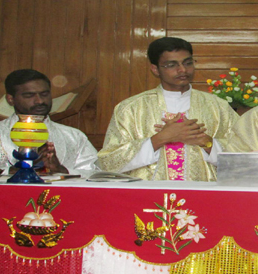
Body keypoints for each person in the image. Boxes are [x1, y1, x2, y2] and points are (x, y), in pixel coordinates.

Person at [97, 37, 239, 181]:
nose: (182, 69)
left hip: (202, 194)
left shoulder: (218, 107)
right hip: (147, 196)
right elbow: (108, 162)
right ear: (155, 69)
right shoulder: (131, 109)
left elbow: (244, 157)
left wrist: (207, 142)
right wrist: (160, 139)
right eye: (172, 65)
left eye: (188, 63)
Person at [0, 69, 99, 177]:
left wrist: (60, 169)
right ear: (10, 99)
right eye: (29, 95)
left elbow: (97, 174)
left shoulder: (74, 136)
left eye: (44, 94)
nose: (40, 101)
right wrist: (16, 170)